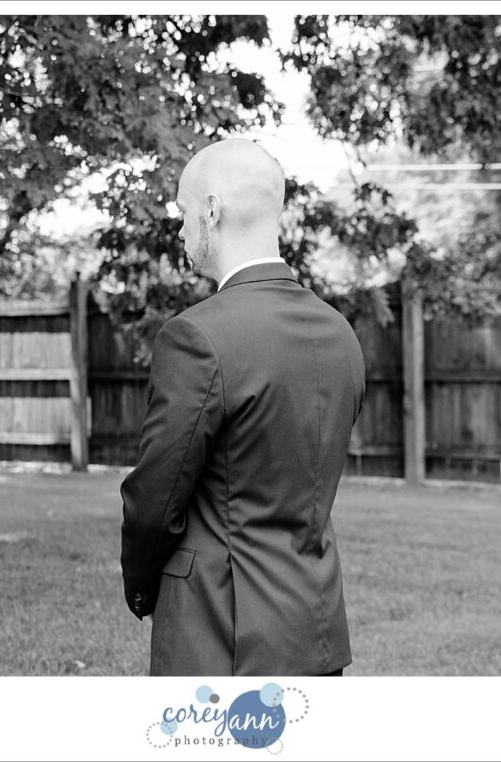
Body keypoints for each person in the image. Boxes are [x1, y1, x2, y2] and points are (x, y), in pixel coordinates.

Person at [120, 138, 366, 676]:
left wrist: (141, 586)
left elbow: (156, 497)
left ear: (211, 210)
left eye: (183, 211)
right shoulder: (340, 333)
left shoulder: (196, 337)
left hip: (221, 634)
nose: (181, 229)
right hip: (316, 629)